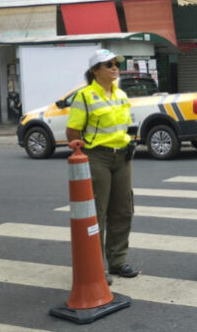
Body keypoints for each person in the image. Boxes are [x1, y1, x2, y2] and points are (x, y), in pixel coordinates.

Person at [66, 49, 140, 283]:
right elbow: (72, 131)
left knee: (123, 209)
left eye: (116, 63)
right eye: (108, 65)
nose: (115, 68)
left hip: (122, 157)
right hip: (97, 157)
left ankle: (118, 261)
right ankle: (95, 266)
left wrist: (129, 142)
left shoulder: (120, 95)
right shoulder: (85, 97)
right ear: (96, 70)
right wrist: (86, 150)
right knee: (97, 212)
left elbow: (125, 126)